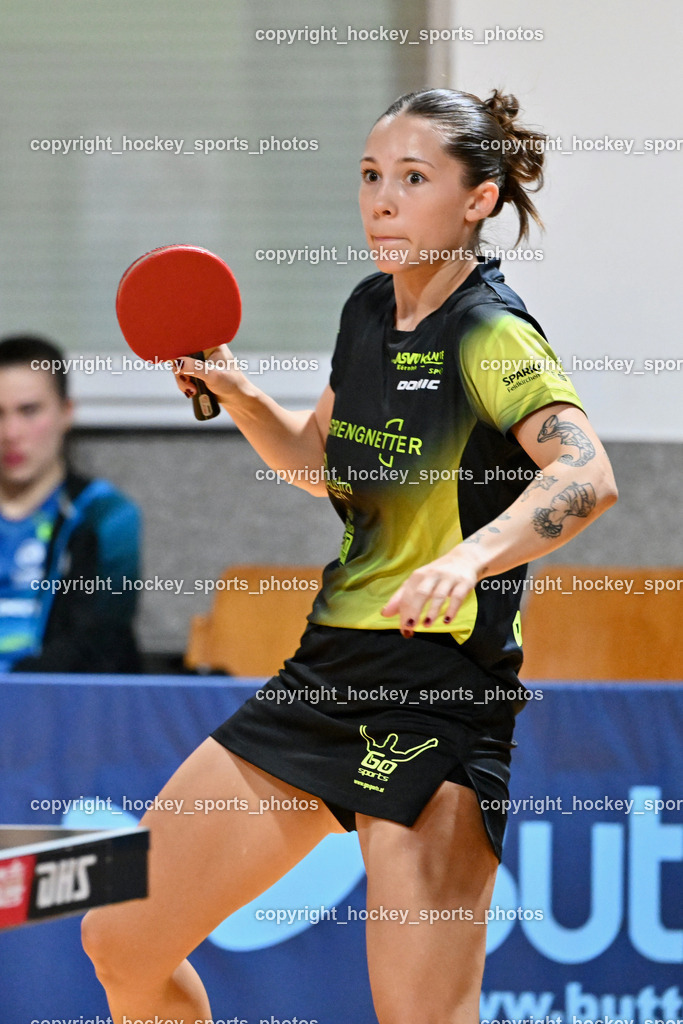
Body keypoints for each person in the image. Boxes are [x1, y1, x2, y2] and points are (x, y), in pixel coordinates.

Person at [82, 89, 618, 1022]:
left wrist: (469, 558)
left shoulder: (490, 334)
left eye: (413, 178)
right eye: (370, 176)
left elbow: (586, 474)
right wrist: (241, 395)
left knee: (418, 1013)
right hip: (325, 677)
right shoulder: (369, 310)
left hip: (440, 694)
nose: (382, 200)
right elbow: (323, 462)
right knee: (121, 936)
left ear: (478, 199)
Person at [0, 335, 142, 672]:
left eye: (29, 411)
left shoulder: (107, 516)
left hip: (54, 698)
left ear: (66, 413)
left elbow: (98, 640)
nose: (11, 433)